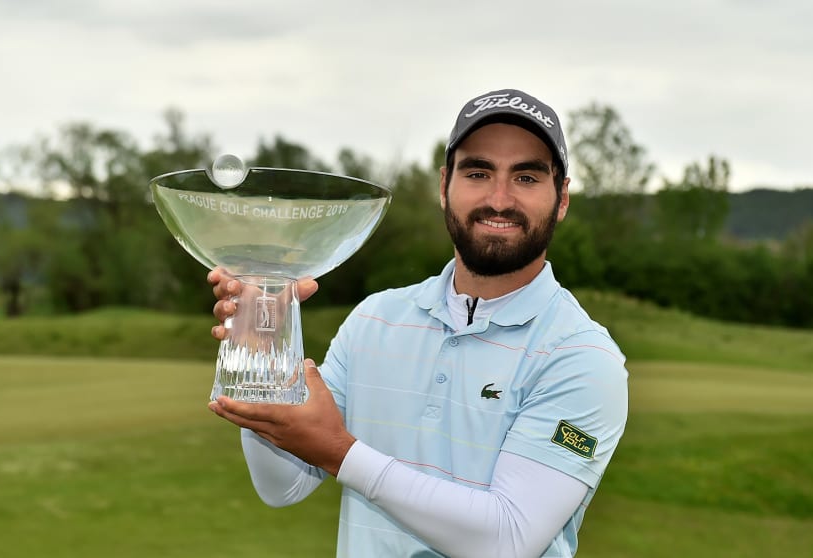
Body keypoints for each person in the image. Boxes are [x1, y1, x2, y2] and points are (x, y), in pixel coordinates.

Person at [207, 88, 629, 558]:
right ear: (444, 184)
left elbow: (507, 540)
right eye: (478, 172)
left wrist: (341, 453)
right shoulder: (375, 319)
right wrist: (265, 345)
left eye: (526, 176)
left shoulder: (583, 357)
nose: (499, 198)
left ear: (563, 197)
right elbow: (282, 485)